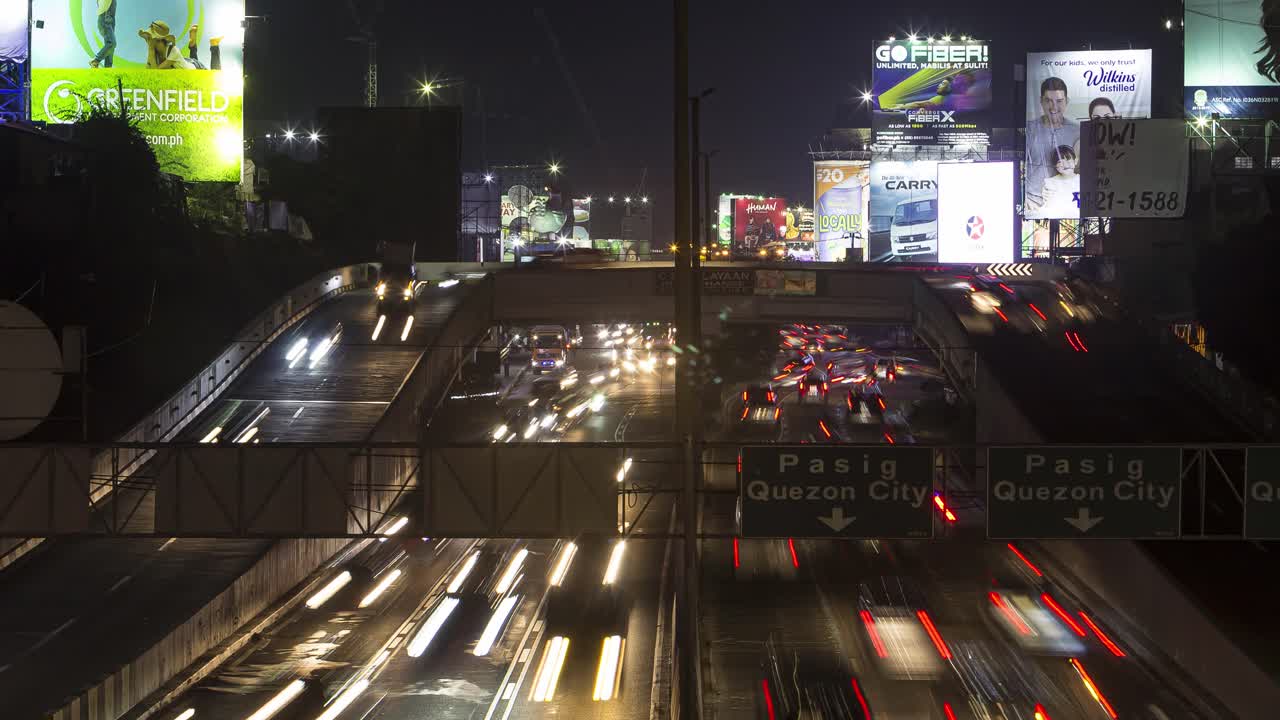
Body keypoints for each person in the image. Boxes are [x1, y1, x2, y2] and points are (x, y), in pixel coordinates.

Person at [1025, 77, 1080, 214]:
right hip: (1033, 203)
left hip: (1063, 203)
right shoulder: (1029, 129)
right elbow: (1019, 167)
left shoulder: (1077, 131)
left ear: (1067, 101)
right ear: (1041, 101)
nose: (1054, 107)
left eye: (1059, 101)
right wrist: (1024, 197)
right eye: (1048, 100)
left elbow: (1081, 171)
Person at [1040, 145, 1080, 218]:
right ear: (1055, 166)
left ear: (1076, 161)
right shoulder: (1050, 183)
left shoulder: (1082, 181)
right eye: (1060, 162)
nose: (1065, 165)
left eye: (1068, 160)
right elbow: (1049, 206)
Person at [88, 0, 116, 68]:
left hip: (110, 21)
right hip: (104, 18)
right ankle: (95, 60)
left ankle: (107, 69)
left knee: (110, 48)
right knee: (111, 43)